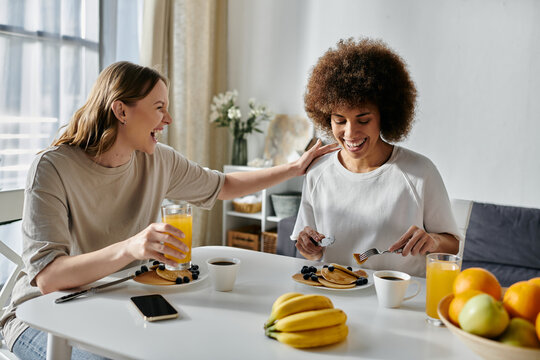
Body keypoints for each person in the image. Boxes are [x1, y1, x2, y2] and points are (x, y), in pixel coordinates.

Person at [0, 61, 338, 360]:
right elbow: (48, 279)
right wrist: (132, 247)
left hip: (119, 300)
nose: (169, 119)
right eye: (159, 107)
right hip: (42, 316)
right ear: (122, 111)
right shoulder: (53, 168)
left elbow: (224, 186)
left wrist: (293, 169)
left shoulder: (157, 159)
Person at [292, 38, 461, 277]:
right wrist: (309, 248)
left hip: (399, 300)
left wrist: (432, 241)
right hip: (336, 295)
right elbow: (314, 254)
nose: (350, 133)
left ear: (385, 115)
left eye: (363, 120)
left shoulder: (419, 172)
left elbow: (453, 244)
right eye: (340, 120)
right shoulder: (318, 172)